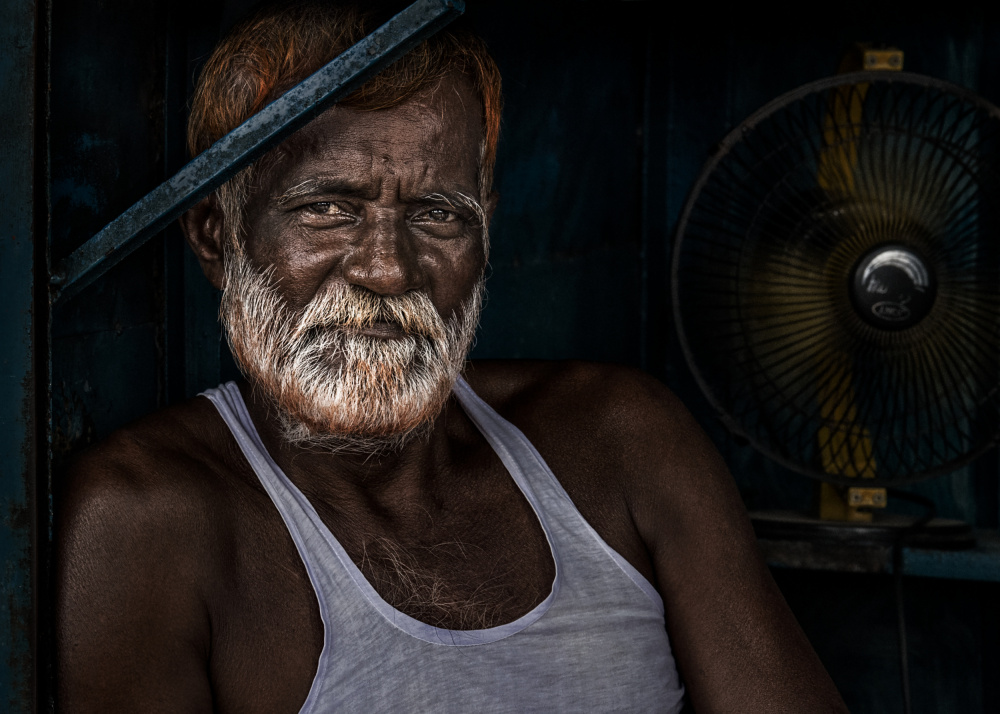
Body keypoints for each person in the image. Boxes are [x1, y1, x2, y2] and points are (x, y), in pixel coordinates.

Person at [56, 2, 848, 712]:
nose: (388, 270)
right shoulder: (150, 520)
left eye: (437, 213)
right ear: (216, 235)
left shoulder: (623, 441)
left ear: (486, 229)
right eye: (329, 208)